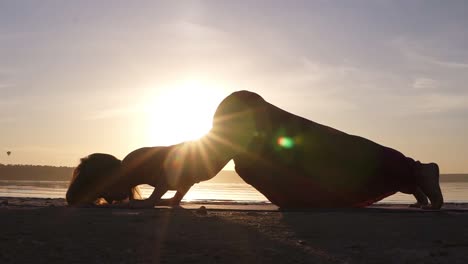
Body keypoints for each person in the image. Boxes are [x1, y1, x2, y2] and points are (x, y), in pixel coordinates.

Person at [208, 90, 444, 209]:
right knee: (323, 150)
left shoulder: (237, 134)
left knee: (324, 150)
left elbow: (205, 160)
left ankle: (414, 172)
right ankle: (412, 175)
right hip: (242, 115)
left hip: (241, 112)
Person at [66, 140, 230, 208]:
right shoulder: (141, 175)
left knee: (248, 169)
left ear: (109, 177)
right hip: (213, 155)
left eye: (103, 192)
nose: (109, 200)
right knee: (248, 170)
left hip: (217, 144)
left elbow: (173, 167)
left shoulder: (133, 161)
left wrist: (151, 200)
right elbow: (186, 176)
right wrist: (174, 200)